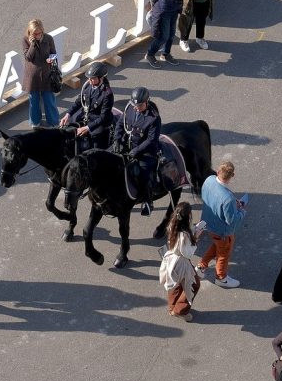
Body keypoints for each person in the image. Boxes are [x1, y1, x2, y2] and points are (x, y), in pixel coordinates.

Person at [196, 160, 246, 288]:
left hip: (208, 224)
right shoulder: (228, 198)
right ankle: (221, 278)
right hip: (223, 231)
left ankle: (201, 267)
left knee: (217, 245)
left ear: (218, 172)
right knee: (223, 253)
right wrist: (241, 211)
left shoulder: (209, 180)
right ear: (232, 175)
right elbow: (231, 220)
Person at [112, 86, 160, 216]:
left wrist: (136, 151)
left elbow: (151, 140)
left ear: (147, 102)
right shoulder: (130, 108)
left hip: (145, 150)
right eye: (135, 105)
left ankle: (147, 201)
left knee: (144, 173)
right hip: (127, 144)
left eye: (140, 105)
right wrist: (117, 140)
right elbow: (120, 124)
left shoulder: (153, 118)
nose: (136, 108)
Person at [145, 0, 195, 68]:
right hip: (164, 10)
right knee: (163, 36)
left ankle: (165, 54)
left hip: (174, 7)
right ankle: (150, 54)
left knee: (171, 34)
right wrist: (154, 8)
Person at [159, 202, 202, 322]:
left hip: (170, 260)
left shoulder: (172, 224)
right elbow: (187, 253)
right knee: (193, 284)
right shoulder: (184, 235)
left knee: (175, 285)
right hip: (181, 262)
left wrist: (193, 231)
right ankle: (180, 311)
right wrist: (195, 238)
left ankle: (172, 307)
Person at [59, 61, 115, 152]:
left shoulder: (107, 94)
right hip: (86, 115)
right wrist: (67, 115)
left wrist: (87, 128)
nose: (89, 80)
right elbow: (78, 102)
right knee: (70, 126)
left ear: (101, 78)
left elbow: (103, 117)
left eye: (93, 78)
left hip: (97, 120)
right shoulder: (87, 85)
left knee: (95, 139)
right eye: (89, 78)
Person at [22, 19, 59, 128]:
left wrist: (51, 59)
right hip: (33, 77)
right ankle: (35, 122)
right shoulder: (25, 40)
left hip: (47, 74)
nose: (38, 35)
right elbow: (28, 57)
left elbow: (53, 53)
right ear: (30, 32)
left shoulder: (48, 38)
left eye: (40, 33)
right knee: (34, 101)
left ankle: (53, 122)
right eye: (35, 34)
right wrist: (33, 44)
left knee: (49, 100)